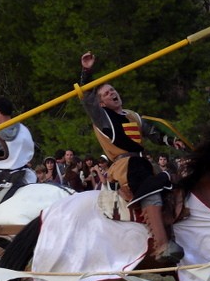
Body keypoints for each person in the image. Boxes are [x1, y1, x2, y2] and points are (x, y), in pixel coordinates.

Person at [79, 51, 184, 263]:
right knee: (152, 184)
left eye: (113, 90)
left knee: (169, 179)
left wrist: (172, 141)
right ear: (102, 103)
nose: (112, 94)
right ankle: (162, 246)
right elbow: (87, 98)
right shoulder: (102, 118)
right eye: (107, 94)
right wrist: (87, 72)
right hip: (124, 166)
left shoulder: (132, 116)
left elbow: (153, 133)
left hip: (142, 162)